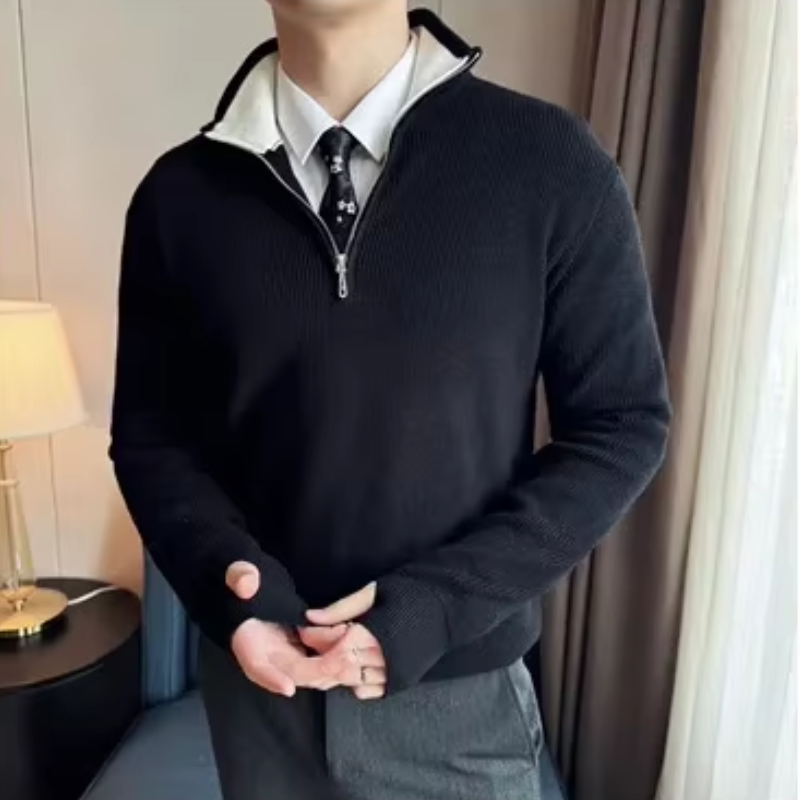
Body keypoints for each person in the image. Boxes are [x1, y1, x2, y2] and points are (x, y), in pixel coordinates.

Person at [110, 2, 671, 798]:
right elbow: (151, 437)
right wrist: (229, 580)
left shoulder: (550, 162)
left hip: (459, 707)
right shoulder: (177, 198)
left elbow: (622, 425)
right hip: (261, 700)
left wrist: (437, 606)